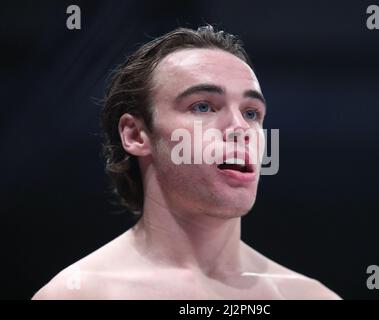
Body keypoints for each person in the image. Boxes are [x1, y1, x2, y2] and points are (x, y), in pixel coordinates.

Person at [32, 25, 340, 300]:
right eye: (203, 106)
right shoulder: (78, 294)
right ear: (136, 134)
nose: (240, 129)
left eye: (251, 113)